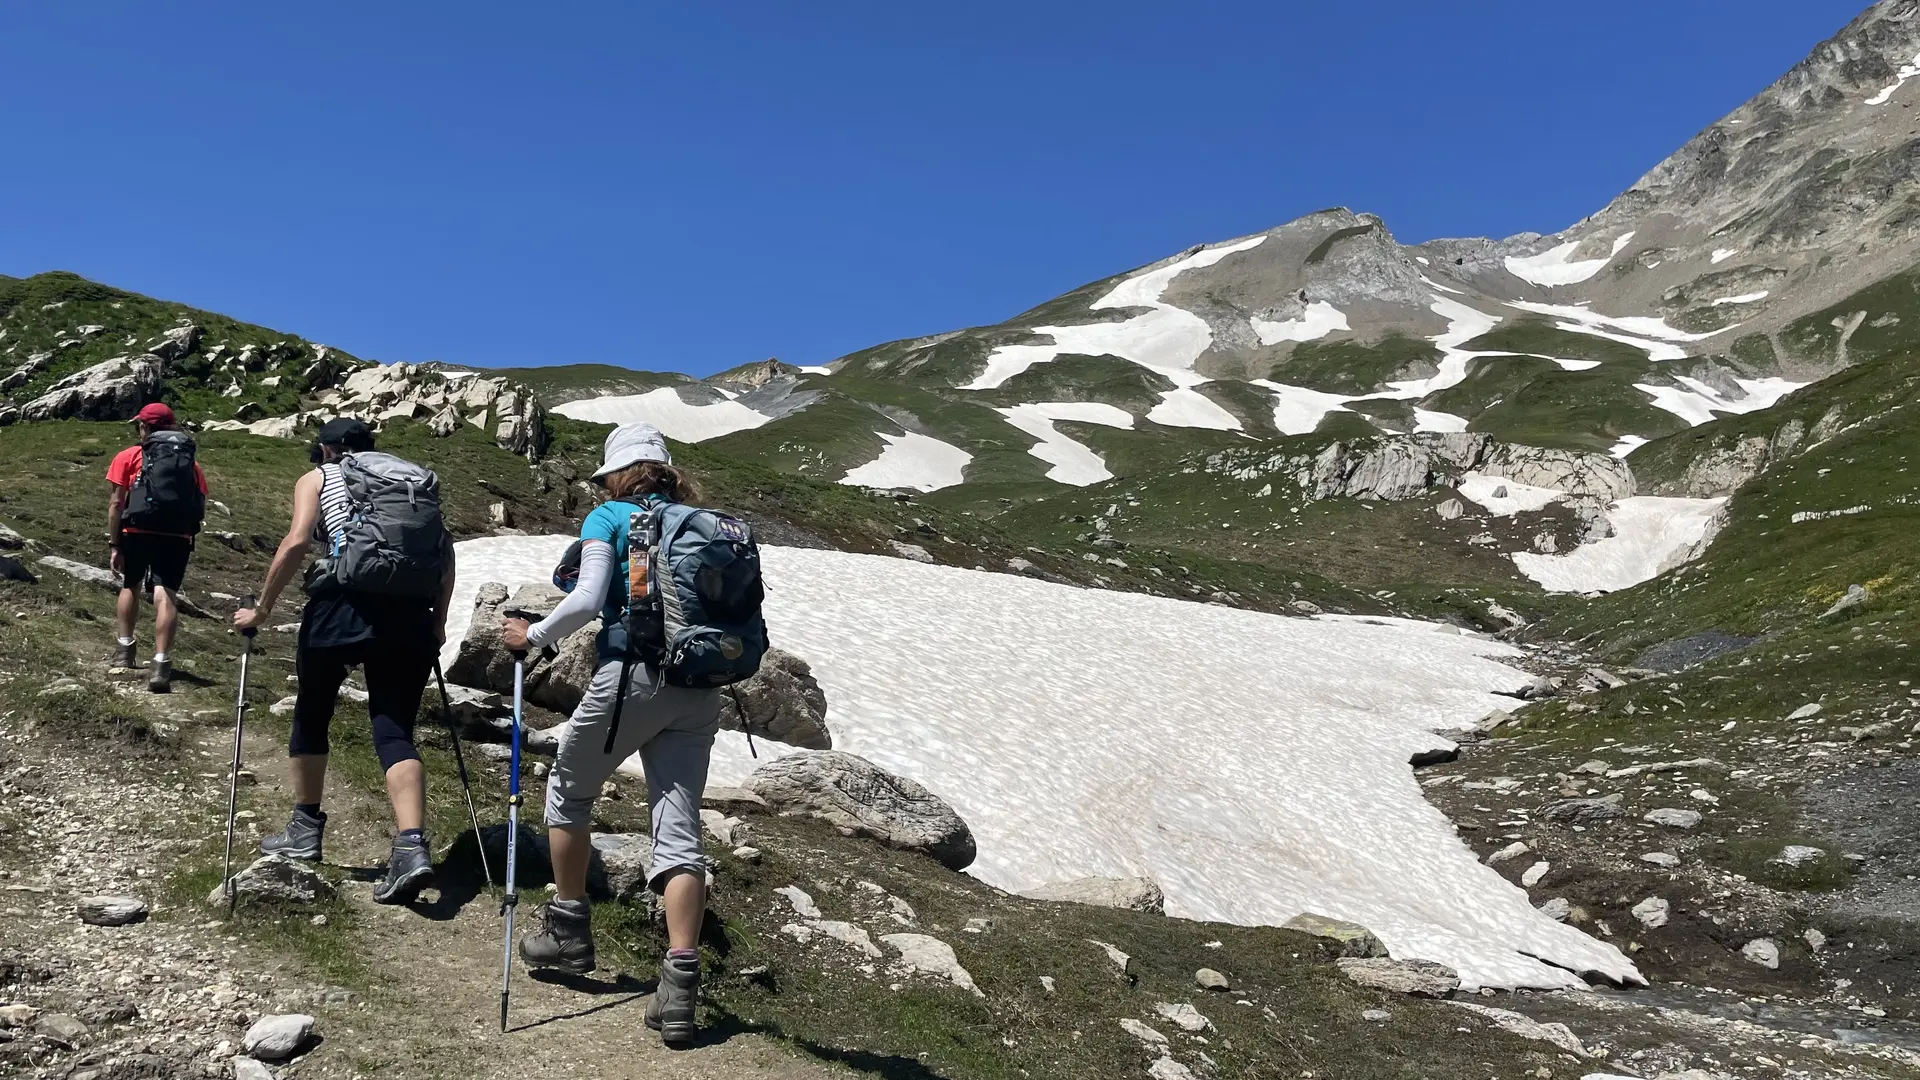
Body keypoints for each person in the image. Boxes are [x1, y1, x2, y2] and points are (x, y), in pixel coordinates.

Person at [503, 422, 720, 1047]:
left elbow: (589, 600)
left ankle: (570, 929)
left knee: (568, 792)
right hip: (700, 687)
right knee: (678, 830)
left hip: (633, 677)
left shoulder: (609, 518)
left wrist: (533, 636)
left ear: (616, 474)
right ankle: (679, 988)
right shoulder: (695, 523)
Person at [232, 418, 457, 905]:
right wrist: (437, 623)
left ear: (326, 449)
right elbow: (446, 554)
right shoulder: (413, 480)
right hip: (411, 616)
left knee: (313, 709)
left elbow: (295, 541)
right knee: (395, 730)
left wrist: (262, 608)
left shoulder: (320, 477)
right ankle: (411, 847)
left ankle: (305, 827)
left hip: (341, 605)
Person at [106, 402, 209, 693]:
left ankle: (124, 652)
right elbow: (200, 503)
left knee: (131, 585)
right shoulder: (190, 463)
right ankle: (161, 664)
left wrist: (115, 543)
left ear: (145, 427)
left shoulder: (128, 456)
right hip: (177, 536)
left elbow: (116, 504)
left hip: (136, 531)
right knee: (166, 595)